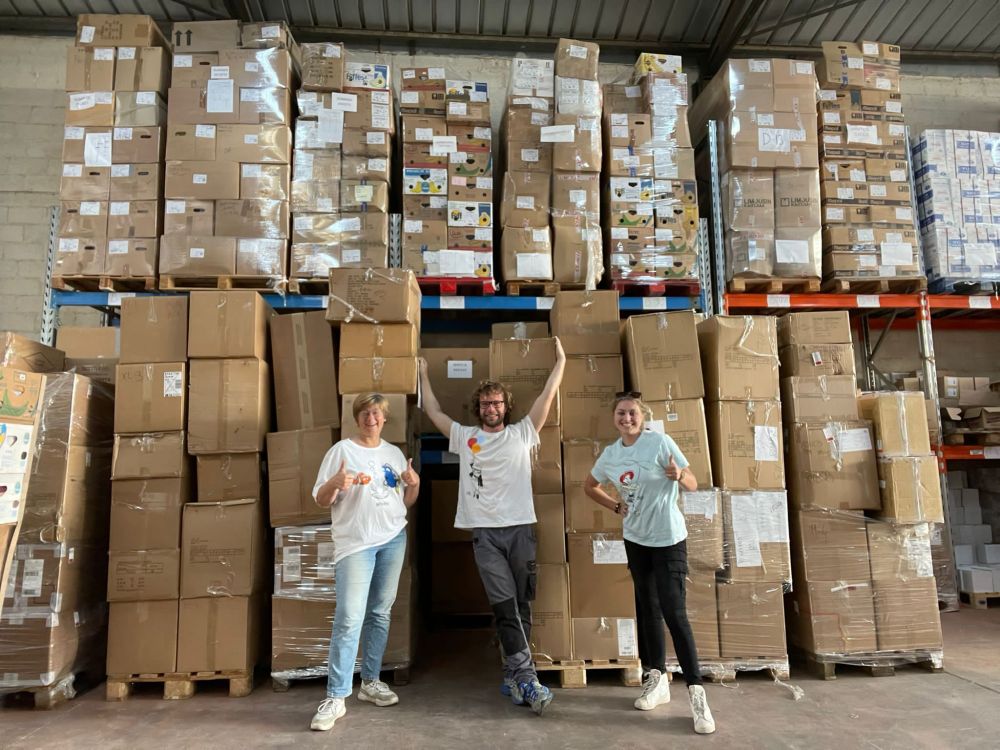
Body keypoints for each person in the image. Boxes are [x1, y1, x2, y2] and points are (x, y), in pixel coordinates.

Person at [418, 338, 566, 716]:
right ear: (478, 408)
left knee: (522, 606)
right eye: (485, 403)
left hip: (522, 531)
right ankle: (529, 680)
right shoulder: (466, 438)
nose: (491, 408)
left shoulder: (523, 432)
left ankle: (511, 674)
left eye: (497, 402)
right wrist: (421, 375)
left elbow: (548, 395)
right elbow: (432, 410)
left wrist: (560, 361)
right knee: (504, 607)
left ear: (506, 406)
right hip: (485, 535)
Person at [583, 392, 716, 735]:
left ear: (641, 417)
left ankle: (696, 694)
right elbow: (590, 486)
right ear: (614, 418)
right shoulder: (611, 455)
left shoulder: (659, 442)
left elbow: (693, 481)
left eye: (631, 413)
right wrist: (614, 506)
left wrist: (677, 476)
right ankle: (655, 679)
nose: (626, 418)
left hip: (669, 539)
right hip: (636, 541)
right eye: (621, 413)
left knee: (674, 612)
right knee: (648, 610)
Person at [308, 393, 420, 732]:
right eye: (364, 413)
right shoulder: (341, 451)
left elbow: (405, 502)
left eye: (376, 412)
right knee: (349, 618)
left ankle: (370, 682)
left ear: (385, 418)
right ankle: (336, 696)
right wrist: (334, 483)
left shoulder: (393, 453)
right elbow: (319, 499)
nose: (371, 418)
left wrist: (414, 485)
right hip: (355, 546)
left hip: (393, 538)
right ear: (357, 419)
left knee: (379, 613)